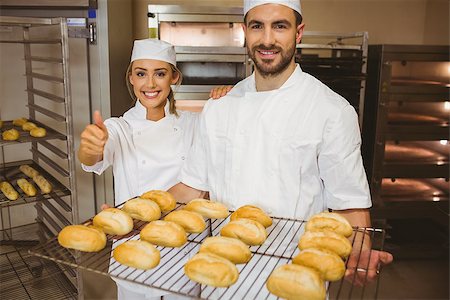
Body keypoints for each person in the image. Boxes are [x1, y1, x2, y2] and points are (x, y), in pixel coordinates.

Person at [169, 0, 393, 288]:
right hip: (221, 278)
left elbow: (349, 206)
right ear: (244, 31)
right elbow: (191, 187)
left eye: (280, 26)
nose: (267, 40)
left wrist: (359, 248)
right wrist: (133, 216)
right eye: (257, 26)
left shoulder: (332, 111)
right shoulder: (218, 108)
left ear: (298, 33)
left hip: (296, 278)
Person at [79, 38, 214, 299]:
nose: (150, 84)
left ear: (173, 77)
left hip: (184, 253)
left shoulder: (195, 124)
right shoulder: (119, 127)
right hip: (134, 251)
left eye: (160, 74)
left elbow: (202, 185)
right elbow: (91, 159)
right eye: (141, 74)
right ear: (131, 77)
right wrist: (91, 144)